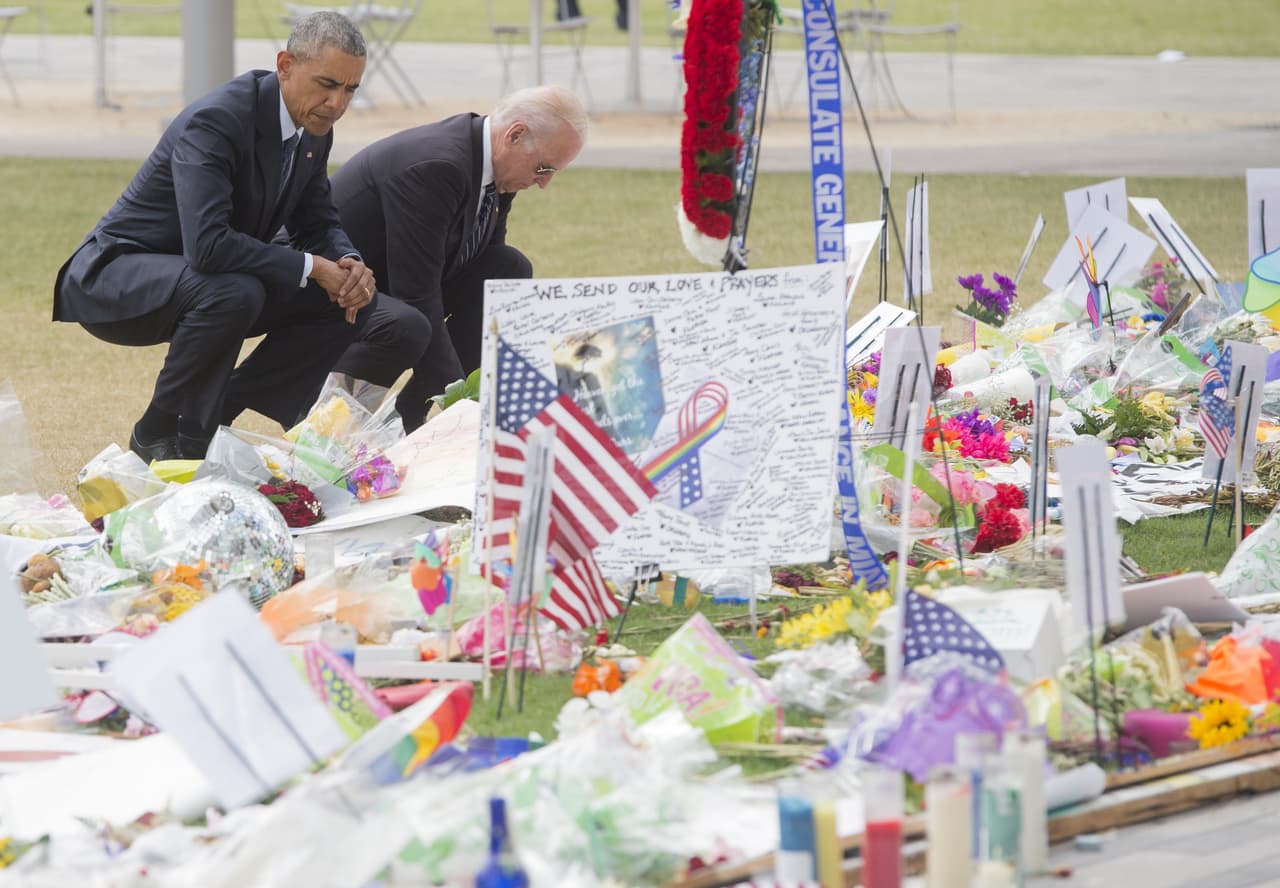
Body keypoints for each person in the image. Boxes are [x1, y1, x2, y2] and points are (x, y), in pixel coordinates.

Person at [53, 11, 376, 462]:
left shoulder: (313, 125)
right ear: (284, 65)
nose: (337, 103)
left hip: (207, 280)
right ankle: (157, 433)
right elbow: (207, 246)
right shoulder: (218, 119)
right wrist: (312, 267)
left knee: (346, 298)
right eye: (327, 84)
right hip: (116, 276)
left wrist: (346, 263)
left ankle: (229, 419)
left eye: (350, 89)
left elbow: (319, 222)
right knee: (235, 291)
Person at [326, 85, 587, 431]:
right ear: (515, 135)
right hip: (336, 288)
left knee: (507, 271)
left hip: (394, 283)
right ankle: (333, 425)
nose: (544, 183)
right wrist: (466, 406)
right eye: (543, 169)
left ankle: (410, 414)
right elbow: (417, 295)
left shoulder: (496, 168)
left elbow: (485, 268)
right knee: (409, 323)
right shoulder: (440, 166)